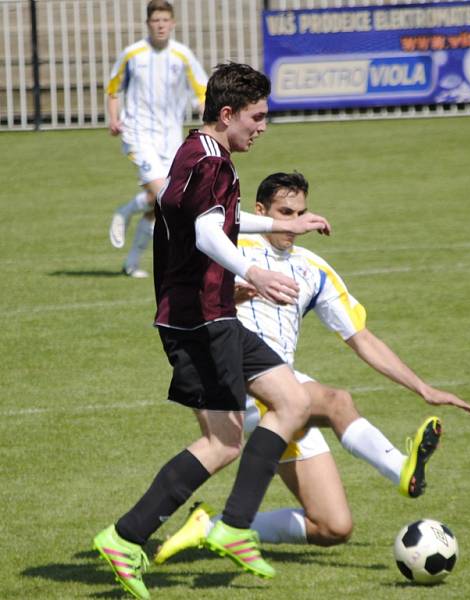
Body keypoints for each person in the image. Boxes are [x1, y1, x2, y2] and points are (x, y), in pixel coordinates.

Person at [92, 64, 331, 600]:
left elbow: (219, 218)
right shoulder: (213, 164)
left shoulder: (195, 153)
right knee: (223, 441)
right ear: (228, 114)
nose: (263, 127)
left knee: (292, 400)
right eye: (257, 116)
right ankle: (126, 536)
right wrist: (255, 272)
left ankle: (234, 526)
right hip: (200, 320)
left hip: (212, 313)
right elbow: (206, 232)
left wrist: (281, 224)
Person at [151, 171, 470, 561]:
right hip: (240, 385)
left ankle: (214, 526)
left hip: (285, 398)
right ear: (261, 211)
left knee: (333, 527)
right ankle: (402, 470)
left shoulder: (313, 269)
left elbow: (362, 338)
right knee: (337, 401)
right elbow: (181, 300)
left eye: (300, 213)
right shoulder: (231, 250)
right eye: (284, 213)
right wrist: (227, 295)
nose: (293, 224)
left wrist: (422, 387)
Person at [106, 0, 208, 278]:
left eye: (165, 20)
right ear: (148, 23)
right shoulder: (133, 54)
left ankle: (131, 263)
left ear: (172, 23)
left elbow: (202, 88)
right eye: (156, 20)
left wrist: (203, 106)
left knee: (162, 202)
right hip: (138, 134)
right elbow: (113, 88)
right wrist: (114, 119)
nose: (161, 25)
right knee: (163, 194)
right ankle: (125, 212)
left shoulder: (183, 55)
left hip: (170, 138)